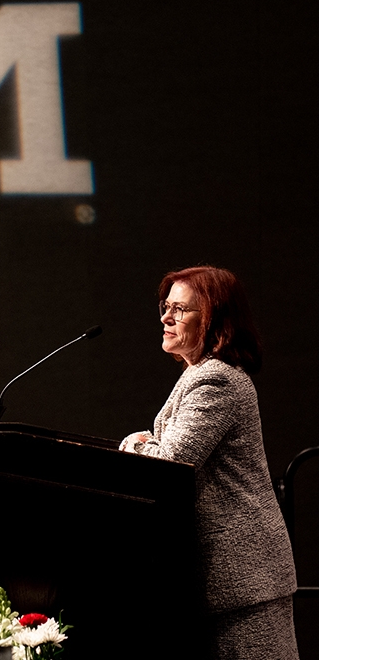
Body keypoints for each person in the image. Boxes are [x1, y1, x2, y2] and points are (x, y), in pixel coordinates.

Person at [119, 266, 298, 660]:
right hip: (231, 580)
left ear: (213, 319)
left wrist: (134, 446)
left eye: (180, 310)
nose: (165, 318)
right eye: (166, 307)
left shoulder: (216, 379)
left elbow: (171, 464)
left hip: (245, 579)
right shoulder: (199, 372)